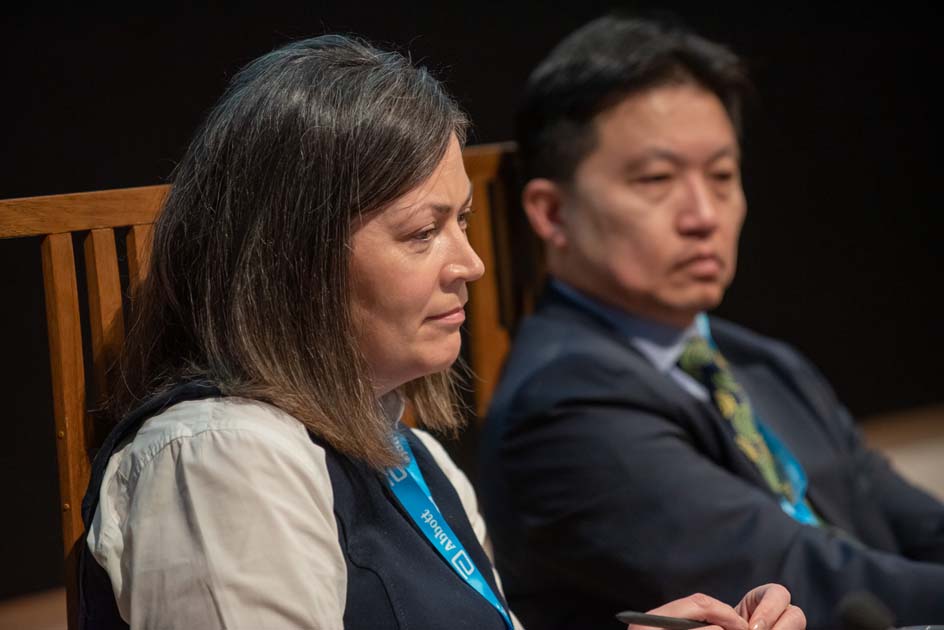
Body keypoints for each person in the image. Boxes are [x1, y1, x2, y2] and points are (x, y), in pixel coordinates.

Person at [75, 34, 802, 630]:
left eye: (462, 221)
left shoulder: (415, 457)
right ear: (293, 260)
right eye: (423, 232)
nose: (472, 263)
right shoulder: (221, 456)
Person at [478, 14, 944, 630]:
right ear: (552, 212)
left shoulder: (761, 362)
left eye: (722, 176)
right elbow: (809, 581)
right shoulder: (560, 405)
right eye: (657, 179)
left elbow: (915, 523)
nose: (703, 215)